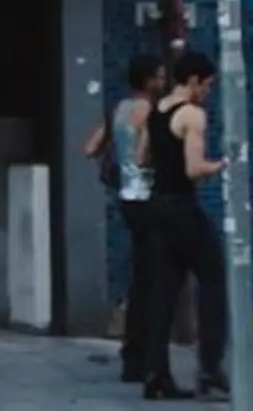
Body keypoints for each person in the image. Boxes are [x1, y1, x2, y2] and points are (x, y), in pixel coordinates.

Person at [140, 52, 229, 401]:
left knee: (164, 290)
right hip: (181, 205)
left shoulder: (157, 111)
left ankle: (155, 374)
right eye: (207, 85)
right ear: (192, 81)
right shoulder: (192, 114)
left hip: (157, 205)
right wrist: (221, 164)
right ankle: (209, 366)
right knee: (214, 276)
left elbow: (141, 157)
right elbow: (193, 168)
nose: (207, 92)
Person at [82, 54, 166, 383]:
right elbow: (150, 154)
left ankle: (134, 354)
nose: (163, 82)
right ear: (147, 81)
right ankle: (144, 356)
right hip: (149, 199)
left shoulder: (117, 109)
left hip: (127, 200)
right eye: (159, 77)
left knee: (140, 277)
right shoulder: (152, 113)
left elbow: (90, 148)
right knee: (153, 280)